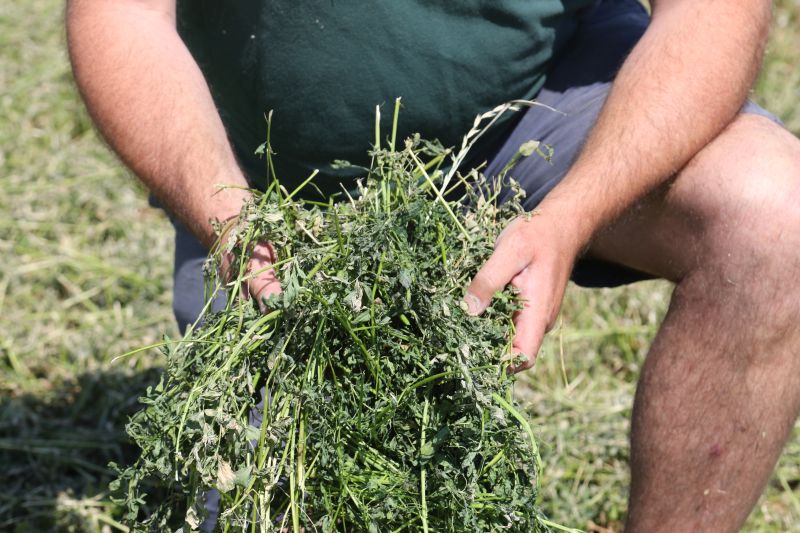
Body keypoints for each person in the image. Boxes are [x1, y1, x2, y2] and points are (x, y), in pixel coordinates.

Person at [66, 0, 800, 530]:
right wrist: (225, 212)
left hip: (534, 100)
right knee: (280, 493)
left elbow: (714, 11)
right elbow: (120, 14)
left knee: (776, 220)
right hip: (274, 175)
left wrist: (572, 212)